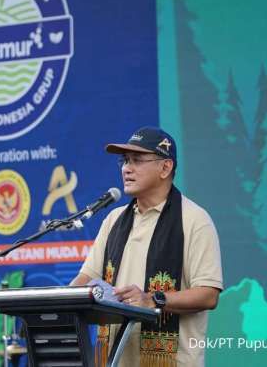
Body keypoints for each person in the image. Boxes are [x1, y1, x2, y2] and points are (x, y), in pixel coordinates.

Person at [71, 126, 223, 366]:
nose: (126, 169)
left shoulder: (194, 220)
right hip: (115, 360)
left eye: (137, 160)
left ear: (165, 167)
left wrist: (153, 299)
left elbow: (208, 295)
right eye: (124, 161)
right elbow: (86, 278)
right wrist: (62, 301)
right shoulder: (114, 220)